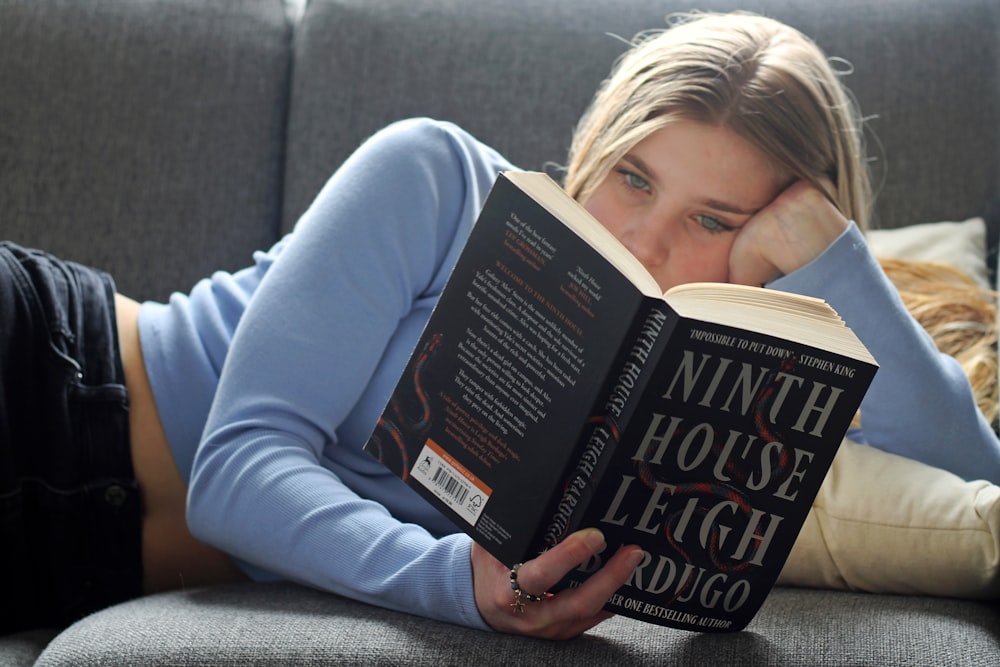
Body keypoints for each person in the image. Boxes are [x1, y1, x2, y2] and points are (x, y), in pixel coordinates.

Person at [3, 11, 999, 639]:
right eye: (633, 177)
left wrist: (835, 260)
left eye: (712, 219)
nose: (644, 242)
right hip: (54, 376)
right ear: (593, 144)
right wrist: (459, 584)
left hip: (70, 556)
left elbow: (977, 486)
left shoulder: (705, 395)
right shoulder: (435, 178)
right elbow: (234, 473)